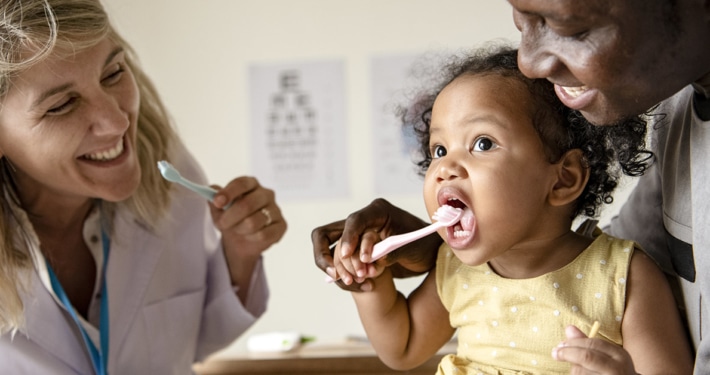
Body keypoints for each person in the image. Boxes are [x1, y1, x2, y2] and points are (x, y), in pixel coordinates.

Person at [312, 0, 710, 372]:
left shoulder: (625, 277)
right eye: (438, 149)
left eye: (482, 143)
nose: (445, 167)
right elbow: (403, 344)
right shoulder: (455, 271)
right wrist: (370, 283)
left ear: (563, 179)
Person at [0, 0, 286, 373]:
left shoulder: (172, 177)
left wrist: (240, 253)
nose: (116, 122)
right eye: (62, 105)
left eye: (113, 74)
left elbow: (193, 340)